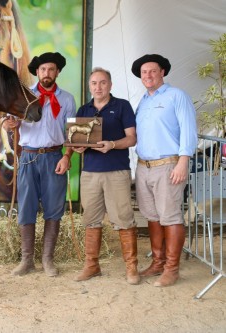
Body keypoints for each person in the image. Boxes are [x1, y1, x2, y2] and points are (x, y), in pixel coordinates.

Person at [3, 52, 76, 277]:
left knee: (54, 207)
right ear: (37, 72)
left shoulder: (67, 100)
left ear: (57, 72)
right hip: (28, 156)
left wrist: (67, 157)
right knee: (26, 207)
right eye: (43, 69)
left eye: (51, 69)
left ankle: (47, 259)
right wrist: (9, 123)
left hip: (55, 157)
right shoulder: (23, 95)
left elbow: (72, 134)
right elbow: (6, 121)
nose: (47, 73)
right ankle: (27, 260)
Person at [131, 54, 197, 287]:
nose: (147, 75)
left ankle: (172, 268)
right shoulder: (144, 101)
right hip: (144, 166)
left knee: (170, 217)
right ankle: (158, 262)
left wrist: (183, 161)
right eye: (144, 72)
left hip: (168, 165)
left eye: (152, 71)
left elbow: (189, 130)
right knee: (152, 216)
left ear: (163, 72)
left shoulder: (176, 96)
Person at [71, 67, 139, 285]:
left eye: (102, 83)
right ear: (90, 86)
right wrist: (79, 148)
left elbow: (132, 139)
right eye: (94, 83)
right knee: (91, 219)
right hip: (90, 173)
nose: (98, 87)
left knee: (123, 218)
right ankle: (92, 265)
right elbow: (79, 141)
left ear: (110, 85)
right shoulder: (84, 108)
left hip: (117, 171)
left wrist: (112, 144)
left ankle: (131, 267)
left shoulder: (122, 106)